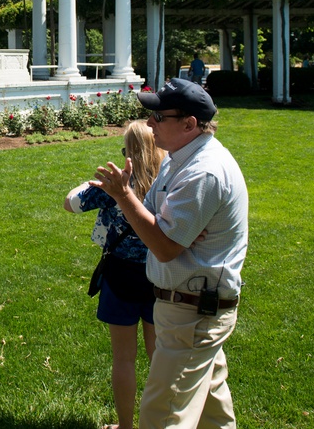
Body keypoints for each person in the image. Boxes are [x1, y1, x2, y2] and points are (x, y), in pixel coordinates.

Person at [93, 79, 248, 429]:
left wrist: (124, 196)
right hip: (184, 309)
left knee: (161, 418)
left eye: (159, 117)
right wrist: (163, 225)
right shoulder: (177, 161)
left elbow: (162, 245)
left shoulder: (202, 172)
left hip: (192, 313)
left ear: (189, 123)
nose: (150, 124)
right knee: (212, 415)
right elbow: (150, 223)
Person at [64, 120, 165, 429]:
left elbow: (70, 203)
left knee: (124, 359)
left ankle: (125, 425)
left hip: (120, 276)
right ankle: (161, 422)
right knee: (160, 359)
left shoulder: (116, 186)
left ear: (129, 153)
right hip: (160, 276)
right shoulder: (170, 182)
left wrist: (86, 184)